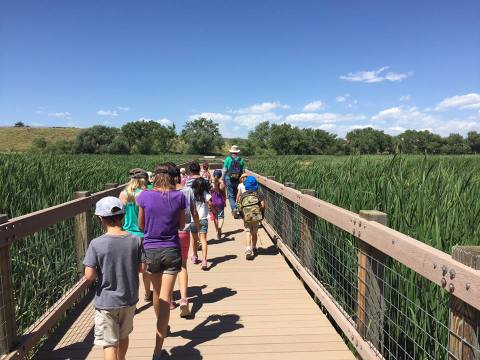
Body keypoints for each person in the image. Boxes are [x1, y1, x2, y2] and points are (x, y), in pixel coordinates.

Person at [83, 196, 146, 360]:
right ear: (123, 216)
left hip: (107, 301)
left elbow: (89, 275)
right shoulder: (136, 239)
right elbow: (143, 268)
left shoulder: (96, 244)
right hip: (129, 298)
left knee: (109, 342)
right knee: (123, 336)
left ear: (100, 219)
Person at [137, 164, 186, 360]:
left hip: (151, 249)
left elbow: (141, 225)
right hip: (171, 249)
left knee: (158, 295)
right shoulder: (179, 196)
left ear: (154, 178)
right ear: (173, 178)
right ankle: (157, 351)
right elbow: (182, 225)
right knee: (166, 297)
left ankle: (162, 326)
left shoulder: (145, 196)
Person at [167, 162, 200, 318]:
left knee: (168, 268)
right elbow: (194, 212)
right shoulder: (188, 191)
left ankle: (170, 300)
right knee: (182, 266)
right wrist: (198, 228)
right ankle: (184, 300)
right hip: (184, 232)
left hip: (167, 234)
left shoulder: (163, 193)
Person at [119, 169, 153, 302]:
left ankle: (131, 297)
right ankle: (147, 292)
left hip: (128, 234)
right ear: (142, 180)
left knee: (129, 268)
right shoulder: (146, 194)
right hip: (144, 234)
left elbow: (119, 215)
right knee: (145, 267)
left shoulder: (123, 194)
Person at [239, 176, 265, 261]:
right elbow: (263, 206)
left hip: (247, 217)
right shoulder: (259, 194)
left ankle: (248, 249)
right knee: (254, 232)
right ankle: (254, 247)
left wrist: (242, 216)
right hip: (256, 217)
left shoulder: (243, 195)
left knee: (247, 231)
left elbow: (240, 207)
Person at [190, 177, 212, 270]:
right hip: (203, 219)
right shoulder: (205, 194)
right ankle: (204, 260)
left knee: (194, 239)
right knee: (203, 240)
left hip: (192, 220)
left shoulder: (191, 193)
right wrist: (209, 208)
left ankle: (195, 256)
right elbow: (210, 204)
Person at [185, 161, 202, 264]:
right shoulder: (204, 180)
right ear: (199, 170)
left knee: (193, 236)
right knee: (202, 233)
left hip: (192, 210)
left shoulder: (188, 182)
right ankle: (203, 256)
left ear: (190, 171)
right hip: (202, 210)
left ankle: (195, 254)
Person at [222, 145, 245, 213]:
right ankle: (238, 208)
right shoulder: (241, 160)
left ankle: (234, 209)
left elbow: (224, 170)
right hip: (238, 179)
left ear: (231, 152)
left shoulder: (228, 159)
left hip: (229, 179)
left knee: (231, 195)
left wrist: (222, 178)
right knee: (237, 194)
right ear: (237, 152)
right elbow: (242, 171)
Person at [211, 169, 226, 240]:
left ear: (214, 175)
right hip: (220, 202)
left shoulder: (211, 183)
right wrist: (225, 202)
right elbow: (224, 194)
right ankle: (220, 227)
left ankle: (217, 230)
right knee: (221, 217)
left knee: (215, 217)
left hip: (213, 202)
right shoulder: (222, 184)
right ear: (220, 176)